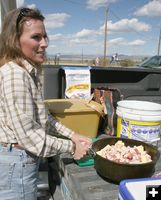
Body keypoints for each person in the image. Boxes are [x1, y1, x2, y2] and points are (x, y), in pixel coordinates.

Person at [0, 7, 91, 200]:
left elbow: (43, 117)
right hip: (16, 165)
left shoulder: (26, 72)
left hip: (21, 161)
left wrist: (73, 135)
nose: (44, 44)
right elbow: (30, 139)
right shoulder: (15, 75)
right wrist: (72, 148)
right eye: (36, 37)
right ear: (14, 41)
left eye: (45, 37)